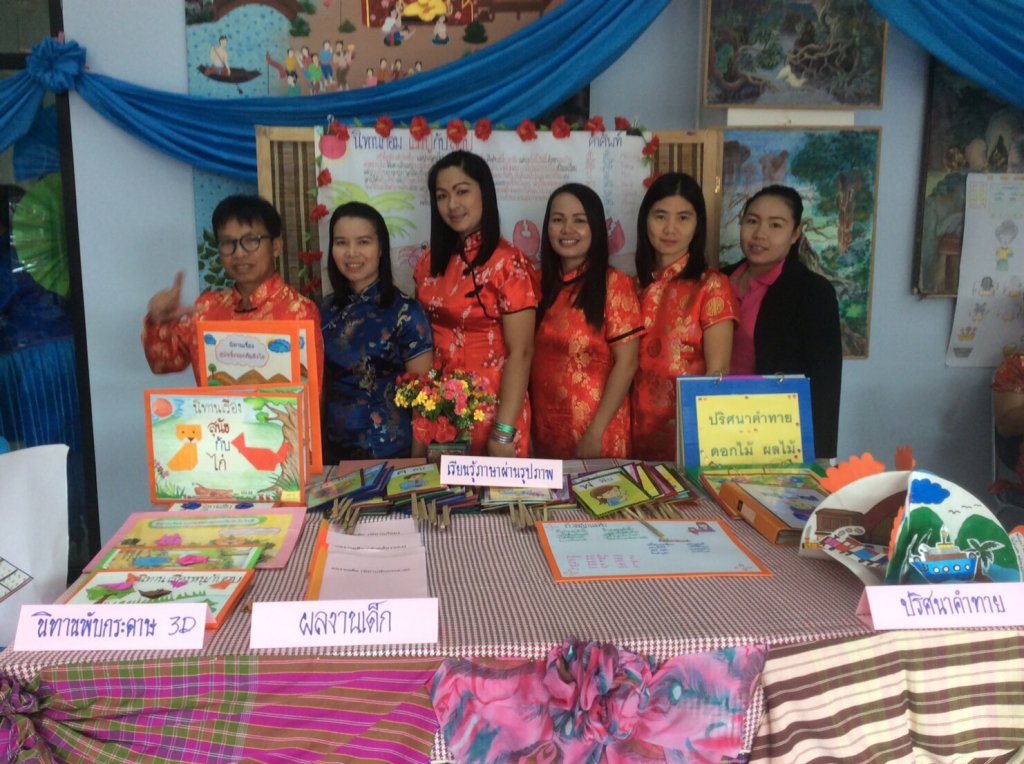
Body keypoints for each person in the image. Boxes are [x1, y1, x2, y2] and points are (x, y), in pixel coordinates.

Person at [414, 151, 538, 457]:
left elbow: (521, 352)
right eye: (442, 196)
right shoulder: (428, 262)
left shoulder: (508, 263)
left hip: (497, 411)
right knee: (442, 489)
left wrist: (504, 431)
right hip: (442, 413)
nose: (452, 205)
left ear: (485, 192)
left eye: (462, 191)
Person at [142, 194, 322, 383]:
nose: (239, 253)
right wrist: (160, 320)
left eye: (251, 240)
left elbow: (311, 391)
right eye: (228, 243)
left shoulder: (299, 311)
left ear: (276, 246)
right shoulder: (206, 308)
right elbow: (162, 363)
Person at [723, 185, 842, 459]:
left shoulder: (812, 292)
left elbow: (825, 381)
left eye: (775, 225)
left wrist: (819, 456)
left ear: (795, 234)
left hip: (773, 435)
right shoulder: (719, 280)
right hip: (715, 424)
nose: (759, 234)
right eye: (752, 221)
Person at [530, 184, 642, 458]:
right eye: (558, 220)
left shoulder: (614, 284)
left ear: (595, 228)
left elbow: (627, 364)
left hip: (597, 432)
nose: (567, 229)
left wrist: (596, 433)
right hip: (544, 431)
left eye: (579, 221)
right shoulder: (535, 283)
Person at [632, 172, 738, 462]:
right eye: (660, 216)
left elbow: (718, 373)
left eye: (683, 218)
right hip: (632, 429)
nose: (670, 228)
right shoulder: (633, 286)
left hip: (687, 434)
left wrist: (700, 443)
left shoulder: (712, 285)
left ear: (697, 224)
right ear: (645, 220)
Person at [321, 202, 433, 461]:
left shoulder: (405, 311)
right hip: (334, 455)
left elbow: (423, 397)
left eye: (363, 242)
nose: (351, 253)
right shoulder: (323, 311)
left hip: (392, 454)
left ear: (381, 248)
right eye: (341, 243)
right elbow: (320, 388)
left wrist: (418, 464)